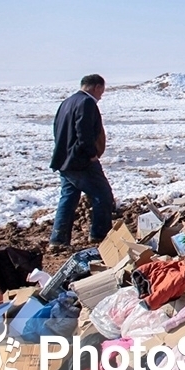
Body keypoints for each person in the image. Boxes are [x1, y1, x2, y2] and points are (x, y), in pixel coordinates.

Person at [49, 74, 116, 251]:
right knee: (103, 195)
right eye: (102, 90)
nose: (102, 95)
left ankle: (58, 239)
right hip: (81, 161)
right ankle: (100, 235)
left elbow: (57, 129)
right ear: (97, 87)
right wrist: (91, 154)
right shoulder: (87, 103)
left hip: (64, 161)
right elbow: (83, 131)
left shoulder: (67, 102)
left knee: (69, 198)